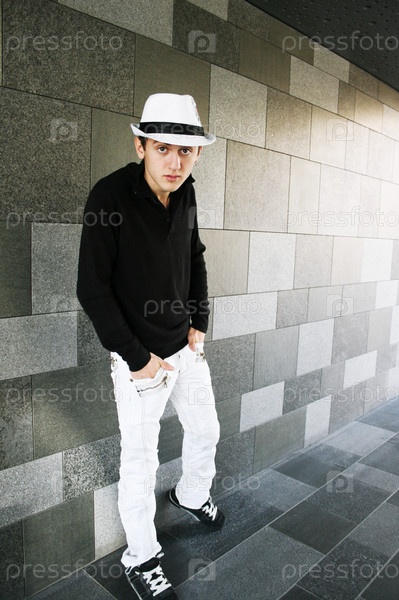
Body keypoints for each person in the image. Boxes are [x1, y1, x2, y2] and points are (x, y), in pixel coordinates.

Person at [77, 93, 224, 600]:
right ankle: (141, 557)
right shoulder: (109, 197)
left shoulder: (186, 192)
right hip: (140, 361)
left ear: (197, 154)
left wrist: (199, 320)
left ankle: (191, 494)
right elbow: (92, 289)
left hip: (185, 348)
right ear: (140, 146)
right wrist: (137, 360)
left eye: (185, 151)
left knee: (206, 429)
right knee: (140, 461)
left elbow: (195, 255)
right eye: (163, 148)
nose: (174, 162)